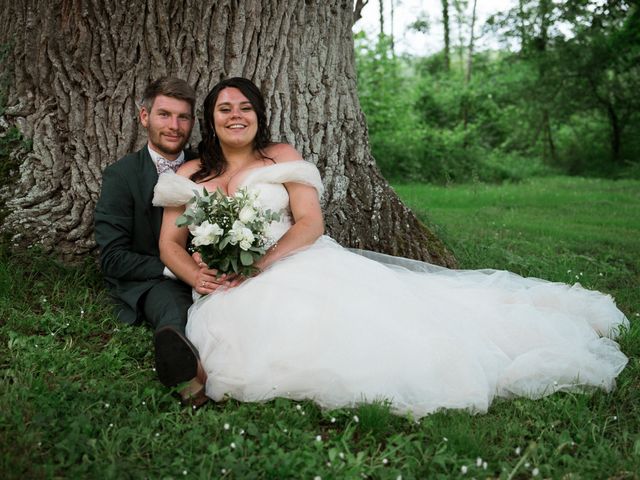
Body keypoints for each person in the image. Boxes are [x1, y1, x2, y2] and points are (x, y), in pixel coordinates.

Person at [153, 77, 629, 418]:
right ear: (211, 121)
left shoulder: (283, 157)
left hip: (295, 260)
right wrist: (198, 276)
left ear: (259, 115)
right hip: (224, 282)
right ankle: (197, 377)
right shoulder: (191, 174)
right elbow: (169, 243)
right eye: (225, 109)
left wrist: (262, 261)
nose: (236, 116)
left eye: (245, 108)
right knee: (238, 338)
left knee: (356, 323)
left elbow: (310, 224)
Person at [95, 77, 207, 406]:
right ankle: (184, 375)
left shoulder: (207, 166)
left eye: (183, 117)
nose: (174, 126)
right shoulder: (122, 176)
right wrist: (177, 268)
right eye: (164, 115)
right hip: (158, 279)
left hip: (212, 269)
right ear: (144, 117)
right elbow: (113, 258)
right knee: (173, 309)